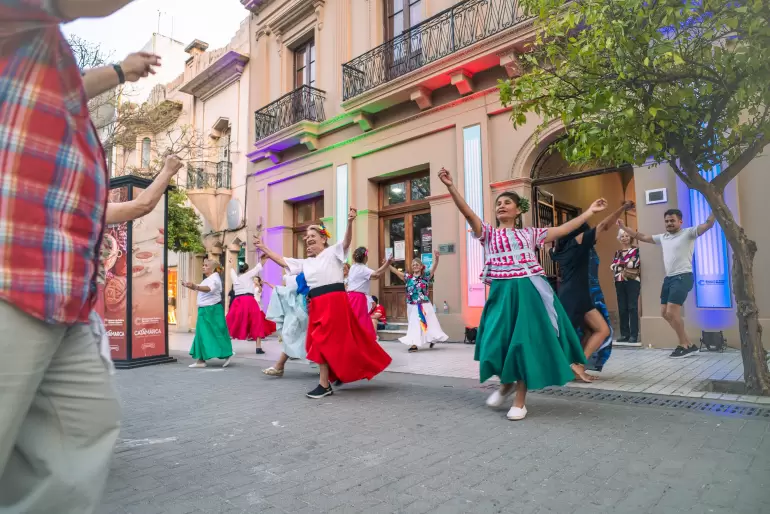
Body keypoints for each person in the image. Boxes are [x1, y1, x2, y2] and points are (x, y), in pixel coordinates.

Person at [0, 2, 162, 510]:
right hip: (11, 271)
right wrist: (121, 70)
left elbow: (139, 203)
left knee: (82, 439)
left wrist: (120, 72)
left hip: (64, 295)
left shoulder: (43, 56)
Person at [438, 167, 606, 420]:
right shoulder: (488, 234)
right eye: (498, 203)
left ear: (518, 211)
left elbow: (562, 229)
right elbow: (468, 212)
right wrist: (451, 187)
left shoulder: (530, 234)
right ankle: (506, 383)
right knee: (495, 341)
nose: (502, 206)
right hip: (501, 292)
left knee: (522, 343)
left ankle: (519, 399)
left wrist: (589, 212)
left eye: (507, 202)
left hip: (527, 291)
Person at [254, 208, 392, 399]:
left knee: (328, 340)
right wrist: (265, 249)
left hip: (335, 301)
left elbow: (346, 241)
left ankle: (325, 384)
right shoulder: (306, 263)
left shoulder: (333, 252)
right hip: (317, 303)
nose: (308, 239)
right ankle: (329, 379)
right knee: (320, 341)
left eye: (313, 235)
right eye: (307, 236)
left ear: (323, 238)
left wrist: (350, 222)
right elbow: (283, 261)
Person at [618, 209, 716, 358]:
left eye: (672, 221)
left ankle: (683, 344)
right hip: (669, 278)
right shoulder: (663, 237)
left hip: (683, 276)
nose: (669, 223)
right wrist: (625, 228)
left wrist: (715, 210)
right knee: (664, 313)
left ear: (680, 222)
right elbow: (641, 236)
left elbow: (707, 225)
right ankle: (689, 344)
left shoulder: (688, 233)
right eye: (667, 221)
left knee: (671, 312)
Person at [550, 202, 634, 368]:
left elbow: (548, 250)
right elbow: (604, 225)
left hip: (569, 293)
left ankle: (574, 364)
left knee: (588, 331)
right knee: (601, 330)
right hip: (578, 293)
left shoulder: (558, 251)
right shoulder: (578, 241)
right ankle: (577, 366)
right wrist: (622, 208)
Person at [388, 252, 448, 352]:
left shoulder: (426, 277)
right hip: (411, 304)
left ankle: (414, 344)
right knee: (416, 323)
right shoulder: (408, 278)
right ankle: (432, 338)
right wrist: (388, 264)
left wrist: (437, 259)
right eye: (413, 265)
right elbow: (396, 272)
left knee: (420, 324)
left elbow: (433, 268)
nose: (415, 266)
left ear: (421, 267)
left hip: (423, 305)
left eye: (417, 264)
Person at [183, 260, 233, 368]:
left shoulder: (215, 278)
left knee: (216, 332)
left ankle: (227, 353)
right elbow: (202, 289)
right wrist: (190, 286)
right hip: (205, 309)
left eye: (206, 265)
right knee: (201, 334)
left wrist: (195, 286)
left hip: (211, 309)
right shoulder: (209, 279)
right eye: (203, 265)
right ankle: (201, 360)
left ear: (213, 268)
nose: (203, 267)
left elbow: (210, 289)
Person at [263, 271, 310, 377]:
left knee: (295, 335)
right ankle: (279, 365)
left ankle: (279, 366)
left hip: (311, 305)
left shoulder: (316, 268)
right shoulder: (305, 268)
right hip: (302, 305)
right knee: (292, 335)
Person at [226, 254, 276, 354]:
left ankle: (226, 345)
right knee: (256, 322)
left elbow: (231, 270)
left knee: (232, 322)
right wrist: (263, 260)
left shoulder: (235, 278)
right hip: (249, 300)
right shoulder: (248, 276)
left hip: (237, 301)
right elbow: (257, 268)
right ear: (246, 270)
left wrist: (231, 264)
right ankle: (258, 347)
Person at [347, 247, 392, 342]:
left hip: (350, 296)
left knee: (353, 322)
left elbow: (374, 277)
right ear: (365, 257)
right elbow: (376, 274)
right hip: (358, 298)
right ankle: (362, 343)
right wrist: (387, 264)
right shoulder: (363, 269)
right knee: (360, 322)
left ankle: (354, 343)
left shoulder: (353, 267)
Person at [611, 229, 641, 343]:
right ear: (619, 238)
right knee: (622, 308)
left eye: (627, 235)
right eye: (622, 236)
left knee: (632, 307)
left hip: (633, 280)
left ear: (630, 237)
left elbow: (634, 264)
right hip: (619, 281)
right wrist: (622, 264)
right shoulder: (617, 252)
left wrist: (618, 264)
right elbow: (612, 266)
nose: (624, 238)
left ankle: (634, 335)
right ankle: (625, 334)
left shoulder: (636, 250)